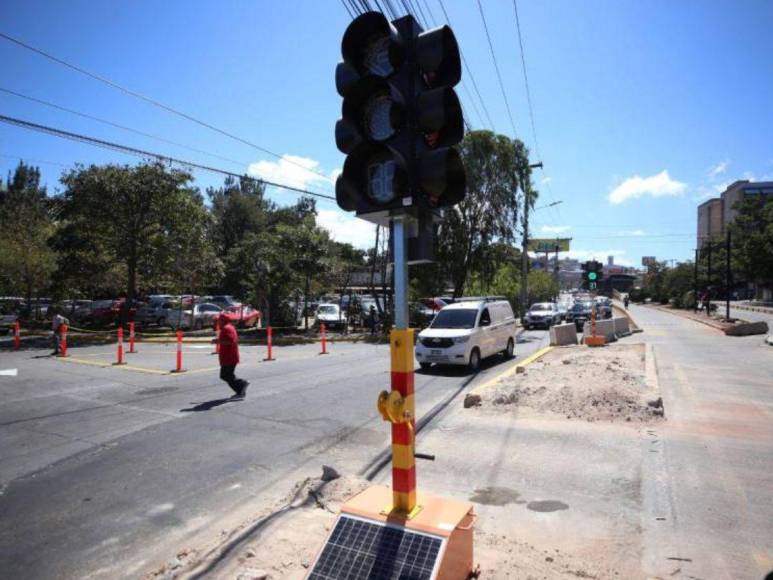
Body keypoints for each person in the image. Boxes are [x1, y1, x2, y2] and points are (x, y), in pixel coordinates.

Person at [217, 313, 248, 398]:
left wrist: (218, 341)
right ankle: (240, 391)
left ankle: (242, 384)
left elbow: (230, 341)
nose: (218, 322)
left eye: (219, 320)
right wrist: (218, 340)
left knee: (225, 375)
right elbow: (227, 339)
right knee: (228, 375)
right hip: (229, 356)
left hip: (229, 357)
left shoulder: (227, 328)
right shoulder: (229, 327)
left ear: (223, 320)